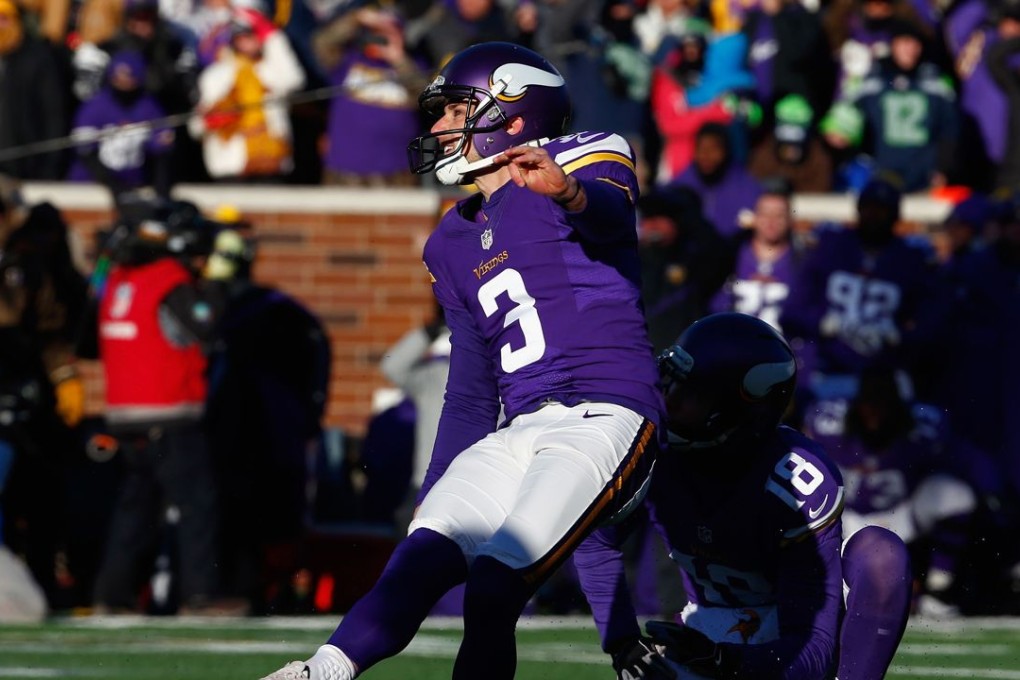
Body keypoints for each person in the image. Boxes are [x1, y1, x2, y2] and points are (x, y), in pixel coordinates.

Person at [261, 40, 665, 680]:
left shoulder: (584, 155)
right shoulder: (450, 238)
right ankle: (320, 671)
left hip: (607, 410)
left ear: (513, 112)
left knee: (496, 584)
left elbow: (612, 219)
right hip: (521, 425)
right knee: (419, 557)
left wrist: (569, 194)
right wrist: (434, 494)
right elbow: (471, 390)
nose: (442, 126)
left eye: (456, 110)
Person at [573, 312, 912, 680]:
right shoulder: (655, 449)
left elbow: (814, 651)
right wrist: (623, 641)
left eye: (690, 394)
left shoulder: (793, 481)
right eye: (670, 384)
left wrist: (728, 662)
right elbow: (594, 539)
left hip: (785, 640)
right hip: (709, 627)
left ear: (738, 412)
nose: (668, 400)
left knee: (880, 557)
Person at [88, 198, 229, 615]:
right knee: (196, 504)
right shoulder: (168, 277)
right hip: (168, 410)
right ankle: (200, 595)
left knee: (136, 507)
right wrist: (217, 285)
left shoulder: (118, 277)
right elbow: (205, 325)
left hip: (124, 411)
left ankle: (112, 595)